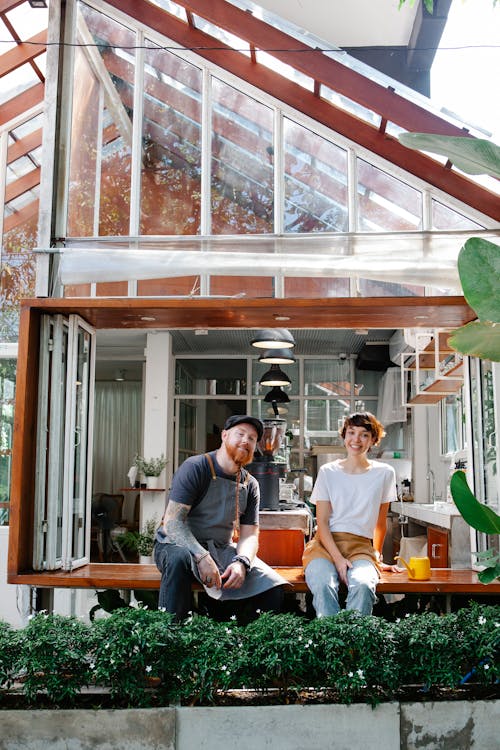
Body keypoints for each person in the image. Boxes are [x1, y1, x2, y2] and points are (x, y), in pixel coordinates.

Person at [154, 415, 288, 622]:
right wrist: (201, 555)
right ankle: (170, 637)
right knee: (179, 558)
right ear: (224, 436)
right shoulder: (196, 467)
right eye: (240, 434)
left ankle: (245, 645)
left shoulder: (250, 484)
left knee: (273, 586)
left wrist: (242, 562)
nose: (246, 440)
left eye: (252, 438)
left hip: (220, 549)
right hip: (176, 544)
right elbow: (172, 523)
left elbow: (250, 535)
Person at [302, 411, 398, 617]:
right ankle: (332, 644)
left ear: (373, 440)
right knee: (323, 584)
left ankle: (354, 644)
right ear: (344, 436)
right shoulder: (328, 471)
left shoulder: (385, 473)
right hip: (324, 545)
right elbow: (323, 523)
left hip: (361, 547)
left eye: (364, 434)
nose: (356, 440)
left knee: (363, 585)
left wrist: (377, 556)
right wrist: (337, 559)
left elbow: (380, 523)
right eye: (351, 432)